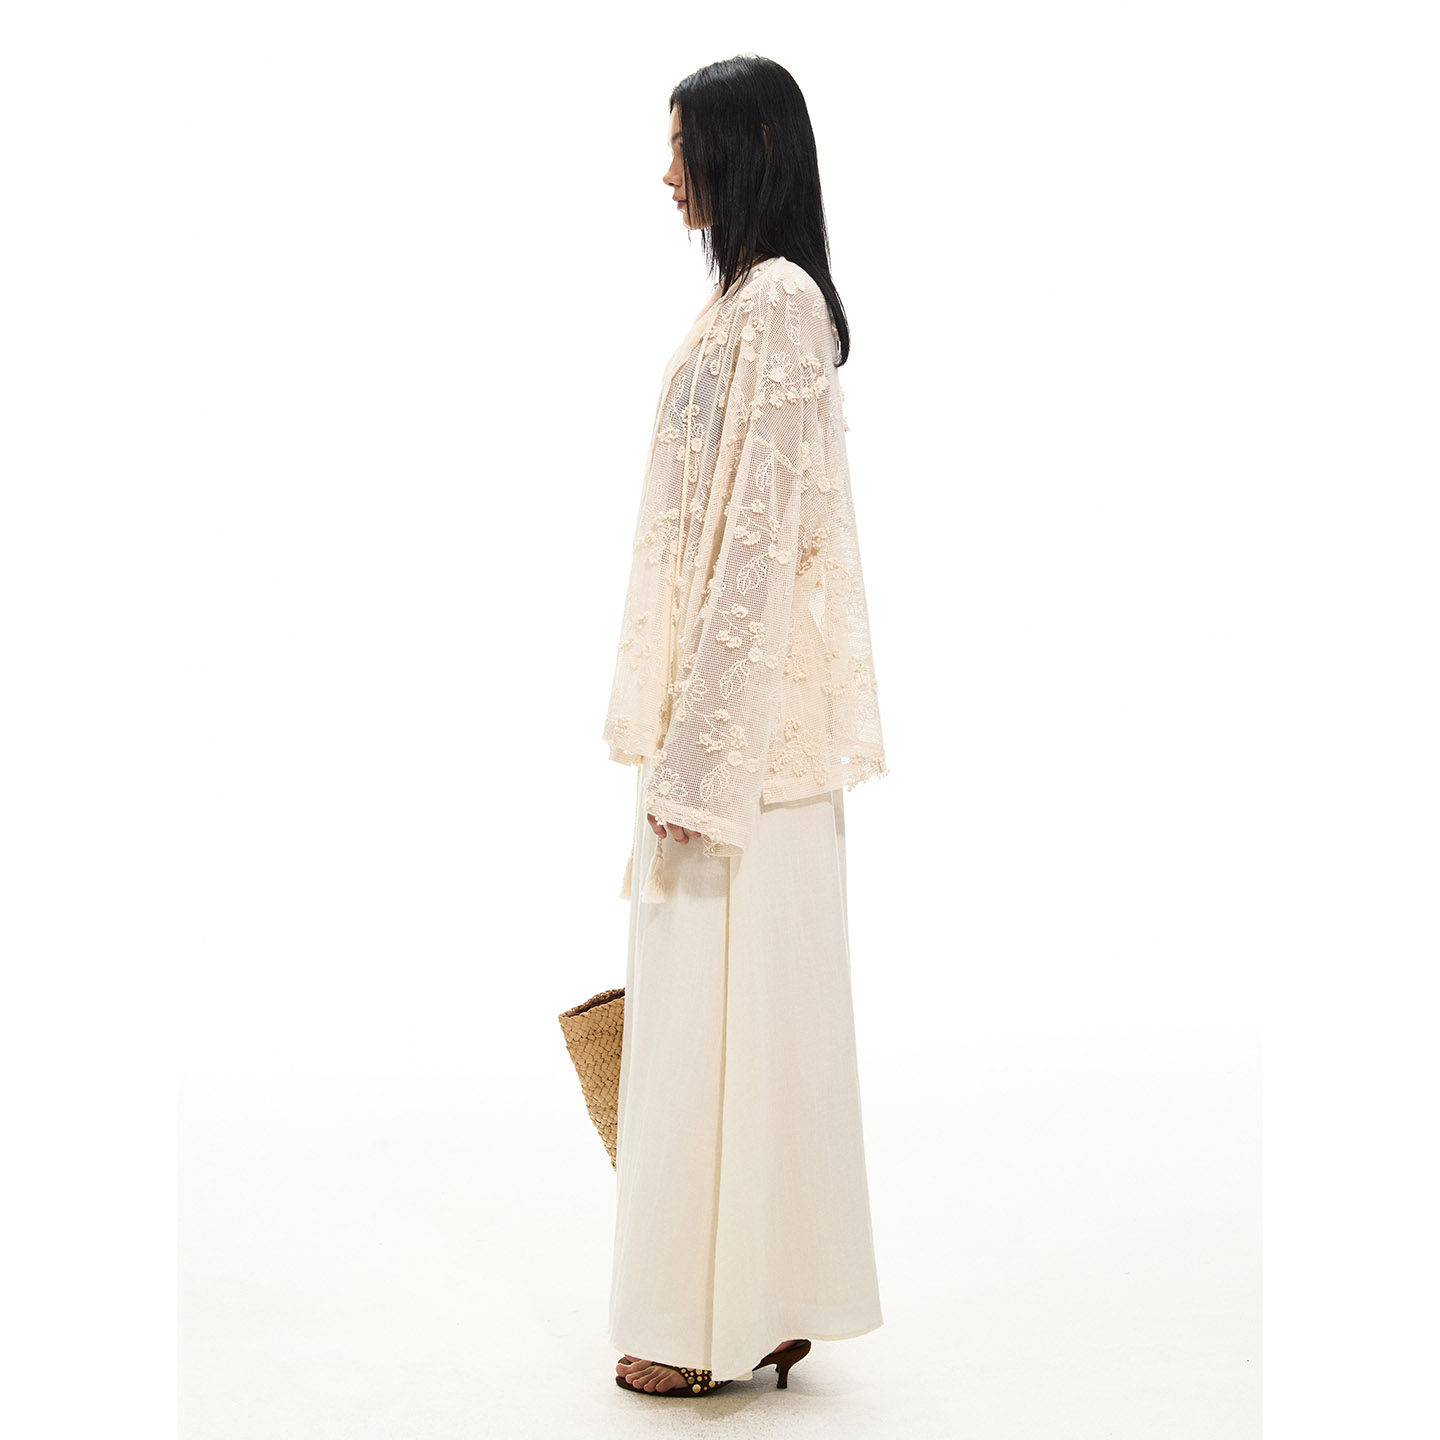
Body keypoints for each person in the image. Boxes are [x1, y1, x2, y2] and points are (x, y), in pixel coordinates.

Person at [601, 54, 890, 1399]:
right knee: (719, 1021)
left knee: (725, 1025)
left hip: (746, 753)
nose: (667, 174)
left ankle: (708, 1322)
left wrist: (698, 762)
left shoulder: (776, 304)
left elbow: (760, 550)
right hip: (726, 737)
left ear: (744, 150)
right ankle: (749, 1305)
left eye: (683, 147)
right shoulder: (744, 301)